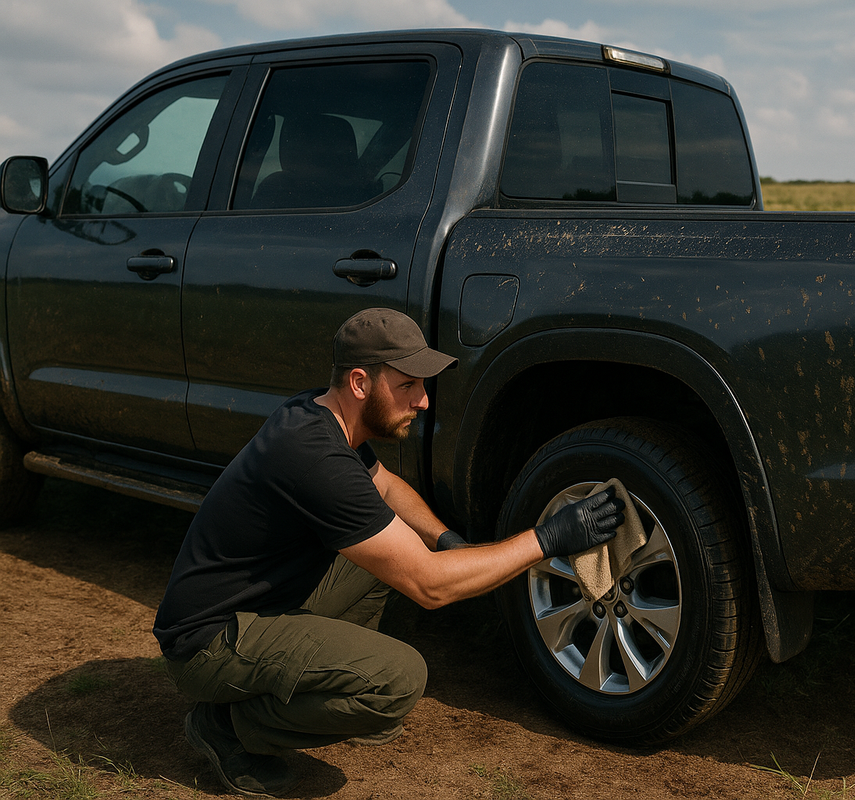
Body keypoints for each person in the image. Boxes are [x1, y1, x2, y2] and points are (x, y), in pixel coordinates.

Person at [153, 307, 624, 797]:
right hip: (208, 643)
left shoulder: (319, 414)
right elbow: (431, 587)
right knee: (399, 678)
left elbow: (386, 488)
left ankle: (326, 688)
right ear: (360, 382)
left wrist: (445, 540)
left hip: (257, 606)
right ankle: (229, 727)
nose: (423, 400)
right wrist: (547, 539)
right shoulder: (315, 457)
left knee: (392, 552)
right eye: (407, 386)